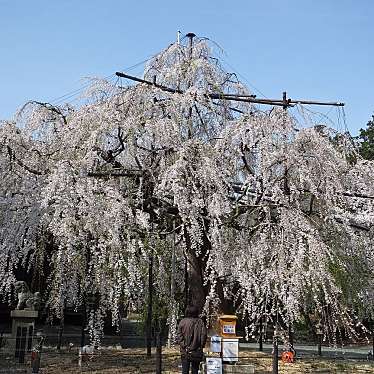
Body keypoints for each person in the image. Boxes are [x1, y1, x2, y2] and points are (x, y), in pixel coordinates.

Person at [177, 305, 207, 374]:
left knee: (185, 370)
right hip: (196, 351)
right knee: (195, 370)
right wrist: (201, 346)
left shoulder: (182, 322)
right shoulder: (200, 322)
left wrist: (184, 346)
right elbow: (204, 335)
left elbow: (179, 335)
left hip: (185, 351)